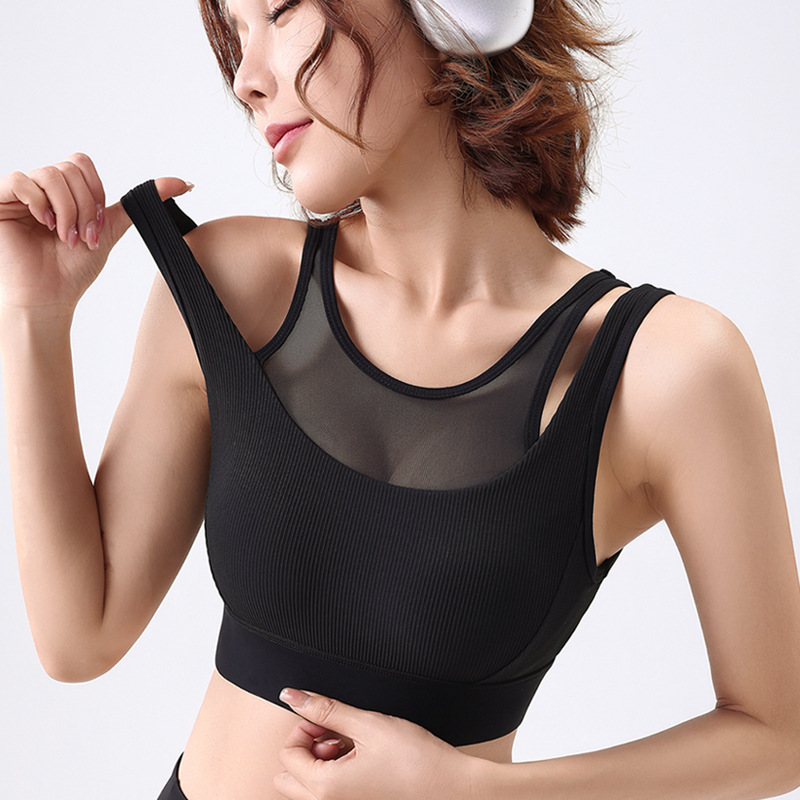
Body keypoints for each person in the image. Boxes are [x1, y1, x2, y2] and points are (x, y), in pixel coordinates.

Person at [1, 1, 799, 799]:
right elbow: (79, 637)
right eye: (235, 36)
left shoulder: (661, 369)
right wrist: (33, 315)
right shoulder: (236, 287)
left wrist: (477, 793)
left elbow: (780, 734)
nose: (246, 79)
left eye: (279, 10)